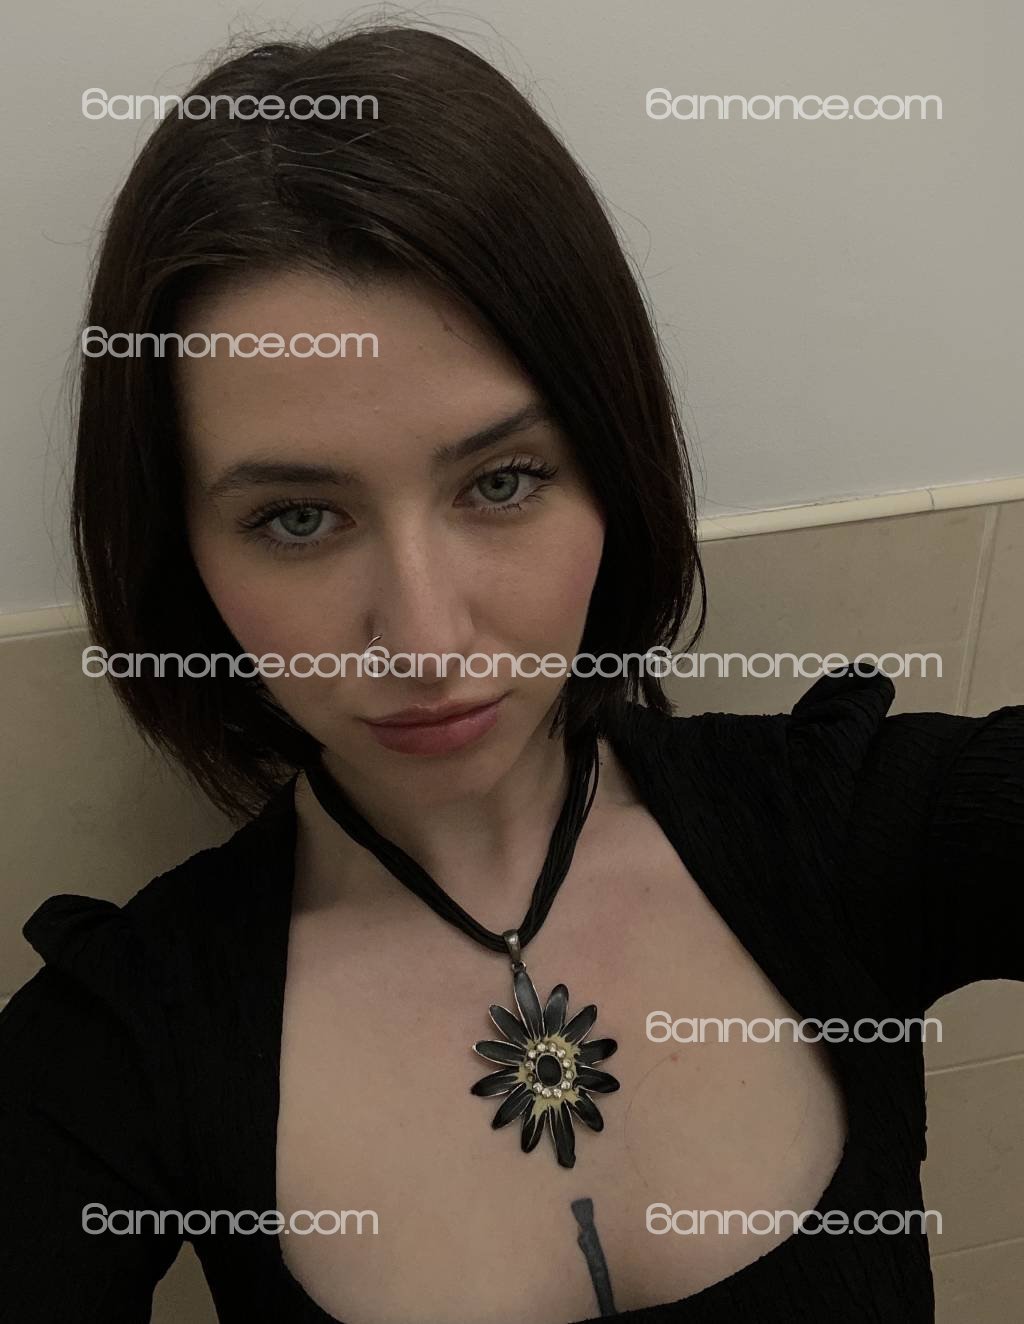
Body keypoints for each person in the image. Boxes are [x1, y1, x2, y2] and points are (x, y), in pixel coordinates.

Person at [2, 23, 1022, 1324]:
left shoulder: (851, 829)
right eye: (297, 518)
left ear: (612, 471)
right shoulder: (124, 1049)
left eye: (503, 481)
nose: (427, 638)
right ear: (182, 556)